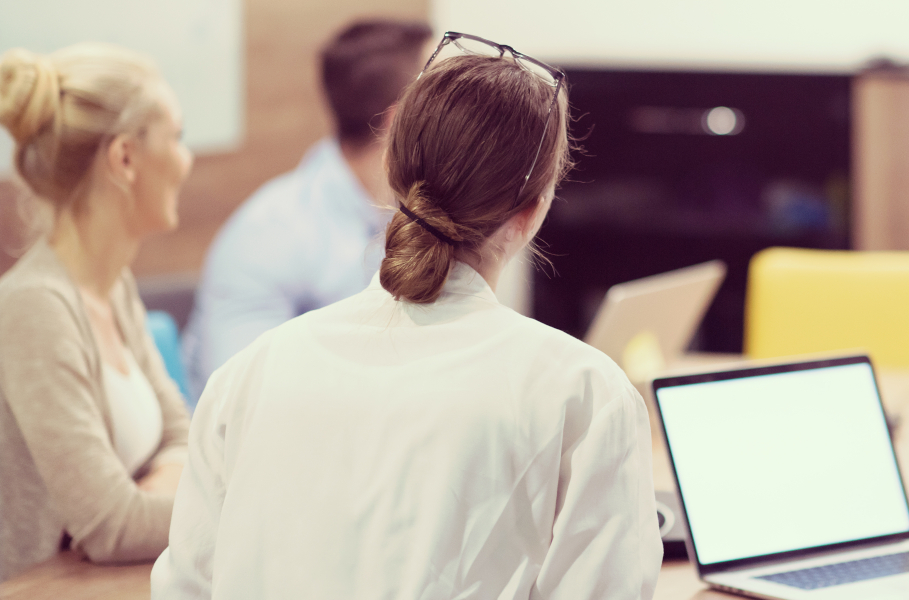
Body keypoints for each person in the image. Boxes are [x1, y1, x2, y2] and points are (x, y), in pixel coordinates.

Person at [151, 32, 662, 599]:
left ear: (394, 170)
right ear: (532, 211)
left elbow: (186, 587)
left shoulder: (248, 375)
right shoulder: (587, 395)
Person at [0, 44, 193, 581]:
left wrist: (146, 496)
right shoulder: (34, 308)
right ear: (125, 159)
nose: (185, 159)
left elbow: (181, 435)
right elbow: (112, 528)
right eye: (175, 138)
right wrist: (239, 510)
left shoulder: (114, 286)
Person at [182, 19, 433, 402]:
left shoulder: (421, 213)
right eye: (442, 98)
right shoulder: (268, 234)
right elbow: (242, 404)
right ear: (400, 120)